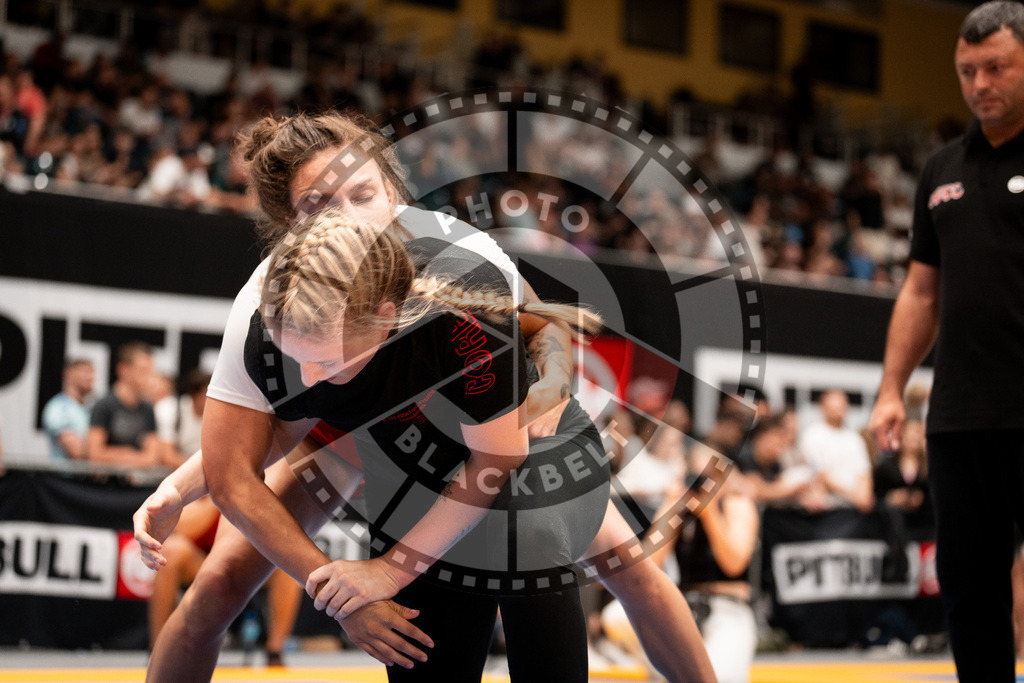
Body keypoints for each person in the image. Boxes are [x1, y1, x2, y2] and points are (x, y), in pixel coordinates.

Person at [134, 112, 715, 682]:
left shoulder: (457, 258)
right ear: (288, 223)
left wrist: (550, 386)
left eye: (362, 194)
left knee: (623, 564)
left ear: (392, 191)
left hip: (458, 423)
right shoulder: (268, 300)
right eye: (318, 204)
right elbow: (237, 461)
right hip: (341, 428)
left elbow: (546, 326)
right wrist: (182, 492)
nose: (349, 216)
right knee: (220, 584)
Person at [869, 3, 1024, 680]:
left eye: (996, 67)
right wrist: (890, 390)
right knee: (969, 584)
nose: (979, 82)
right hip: (960, 415)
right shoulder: (940, 169)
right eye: (967, 70)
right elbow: (920, 293)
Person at [604, 444, 759, 683]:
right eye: (695, 476)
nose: (702, 486)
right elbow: (647, 567)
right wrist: (671, 509)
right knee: (615, 615)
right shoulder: (678, 507)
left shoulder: (736, 504)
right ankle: (663, 669)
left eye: (708, 478)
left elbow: (734, 564)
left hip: (728, 608)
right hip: (683, 606)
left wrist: (709, 515)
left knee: (724, 676)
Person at [796, 389, 874, 513]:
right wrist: (852, 495)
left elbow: (864, 472)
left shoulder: (854, 439)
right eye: (834, 406)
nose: (838, 410)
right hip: (827, 508)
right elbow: (819, 473)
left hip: (854, 509)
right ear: (823, 407)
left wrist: (864, 496)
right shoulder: (812, 435)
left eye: (842, 405)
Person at [88, 341, 163, 468]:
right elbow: (94, 454)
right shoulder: (104, 406)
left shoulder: (148, 409)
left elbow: (152, 457)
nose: (148, 378)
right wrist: (130, 455)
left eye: (151, 371)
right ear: (123, 370)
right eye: (143, 371)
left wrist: (116, 455)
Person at [41, 358, 95, 462]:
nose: (90, 377)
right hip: (62, 477)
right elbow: (76, 451)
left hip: (85, 477)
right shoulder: (57, 408)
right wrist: (103, 450)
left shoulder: (90, 409)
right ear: (68, 375)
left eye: (92, 372)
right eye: (85, 371)